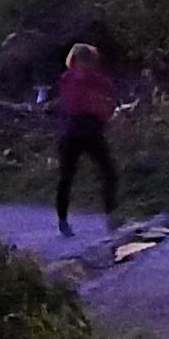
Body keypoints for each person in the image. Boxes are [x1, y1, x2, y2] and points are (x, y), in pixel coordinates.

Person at [53, 40, 121, 233]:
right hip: (90, 129)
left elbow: (68, 104)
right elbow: (110, 100)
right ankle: (110, 216)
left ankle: (63, 220)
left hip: (69, 130)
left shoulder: (65, 79)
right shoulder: (97, 80)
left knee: (66, 177)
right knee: (108, 171)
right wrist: (104, 115)